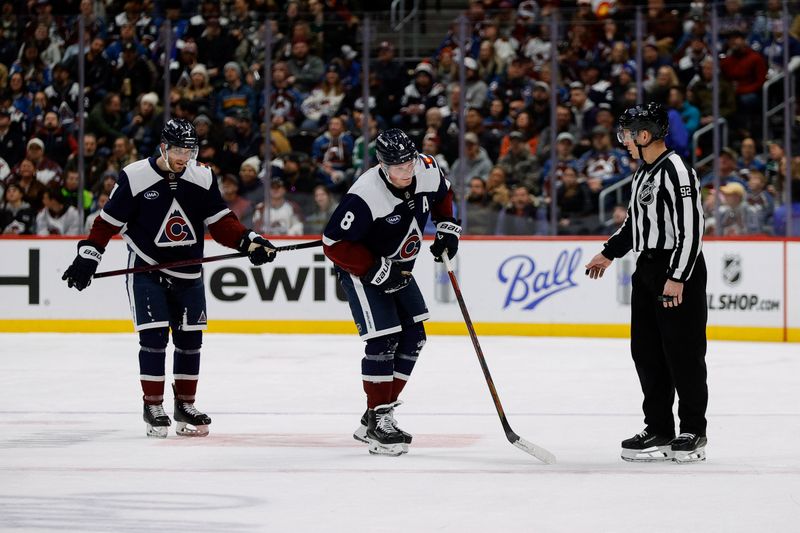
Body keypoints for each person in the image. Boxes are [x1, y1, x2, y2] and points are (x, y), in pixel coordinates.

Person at [61, 119, 277, 439]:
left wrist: (249, 242)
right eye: (178, 149)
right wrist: (88, 256)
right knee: (154, 338)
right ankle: (153, 405)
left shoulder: (202, 175)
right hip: (148, 270)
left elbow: (220, 221)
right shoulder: (135, 176)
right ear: (163, 146)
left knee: (191, 341)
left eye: (189, 150)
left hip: (189, 273)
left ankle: (185, 404)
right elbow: (107, 223)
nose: (183, 156)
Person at [584, 103, 708, 464]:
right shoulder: (642, 174)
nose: (623, 141)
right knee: (647, 352)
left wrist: (678, 277)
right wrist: (608, 253)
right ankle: (658, 428)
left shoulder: (678, 171)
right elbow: (634, 225)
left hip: (675, 269)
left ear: (645, 134)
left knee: (682, 354)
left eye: (627, 134)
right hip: (648, 267)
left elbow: (692, 229)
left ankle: (693, 431)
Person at [322, 128, 459, 456]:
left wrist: (447, 228)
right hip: (364, 270)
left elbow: (443, 193)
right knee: (383, 340)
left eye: (409, 163)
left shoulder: (424, 167)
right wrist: (376, 270)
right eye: (399, 167)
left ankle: (376, 414)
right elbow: (334, 243)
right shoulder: (366, 194)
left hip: (400, 266)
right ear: (383, 166)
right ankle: (379, 420)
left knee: (415, 337)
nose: (407, 171)